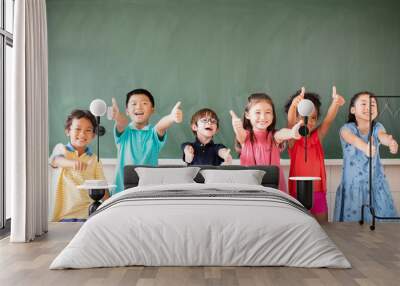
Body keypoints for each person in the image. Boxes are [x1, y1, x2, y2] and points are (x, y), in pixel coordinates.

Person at [334, 91, 398, 222]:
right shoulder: (346, 129)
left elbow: (383, 136)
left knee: (382, 230)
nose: (368, 107)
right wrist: (365, 147)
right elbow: (352, 139)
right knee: (354, 231)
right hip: (353, 190)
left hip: (377, 188)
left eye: (373, 104)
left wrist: (390, 142)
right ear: (353, 109)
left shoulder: (377, 127)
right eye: (363, 103)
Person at [285, 86, 345, 223]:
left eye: (313, 117)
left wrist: (335, 103)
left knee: (323, 227)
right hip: (297, 191)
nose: (309, 121)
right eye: (303, 116)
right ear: (296, 117)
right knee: (299, 227)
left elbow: (328, 120)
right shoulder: (292, 139)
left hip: (318, 191)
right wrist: (294, 105)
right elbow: (290, 122)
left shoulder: (317, 137)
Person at [111, 88, 183, 194]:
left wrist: (171, 118)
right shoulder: (124, 133)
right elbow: (122, 122)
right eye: (134, 104)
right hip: (121, 192)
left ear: (152, 109)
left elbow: (161, 126)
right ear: (127, 110)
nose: (139, 106)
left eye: (144, 103)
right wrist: (117, 117)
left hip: (148, 192)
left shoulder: (153, 134)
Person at [230, 93, 302, 193]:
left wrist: (292, 133)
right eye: (258, 112)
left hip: (275, 188)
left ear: (273, 115)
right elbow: (240, 134)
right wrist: (237, 127)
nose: (263, 117)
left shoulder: (274, 136)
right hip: (250, 186)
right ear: (247, 115)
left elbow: (282, 134)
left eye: (268, 112)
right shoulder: (245, 137)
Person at [50, 109, 108, 222]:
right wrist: (72, 163)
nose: (82, 134)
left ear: (93, 135)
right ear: (68, 131)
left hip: (87, 215)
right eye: (77, 129)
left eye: (88, 130)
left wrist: (110, 206)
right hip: (63, 215)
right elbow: (56, 160)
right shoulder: (61, 149)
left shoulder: (95, 159)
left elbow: (103, 187)